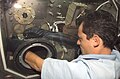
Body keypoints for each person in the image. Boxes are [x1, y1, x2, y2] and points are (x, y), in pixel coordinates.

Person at [25, 10, 120, 79]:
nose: (78, 42)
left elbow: (38, 65)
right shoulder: (115, 57)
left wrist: (19, 46)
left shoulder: (85, 73)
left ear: (95, 41)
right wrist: (46, 33)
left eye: (80, 39)